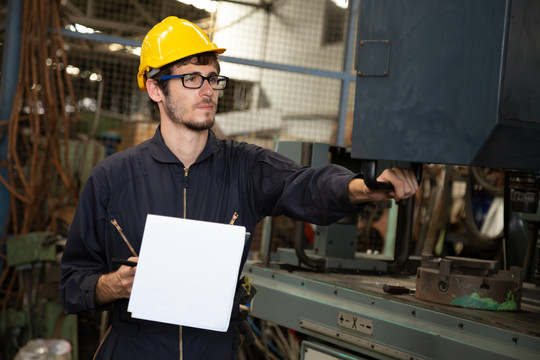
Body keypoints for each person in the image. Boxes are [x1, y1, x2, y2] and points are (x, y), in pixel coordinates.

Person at [59, 17, 418, 360]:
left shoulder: (244, 168)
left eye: (213, 79)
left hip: (213, 350)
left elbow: (305, 184)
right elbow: (72, 285)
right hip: (135, 349)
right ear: (155, 88)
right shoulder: (112, 178)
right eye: (191, 79)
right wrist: (113, 286)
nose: (207, 90)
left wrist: (363, 188)